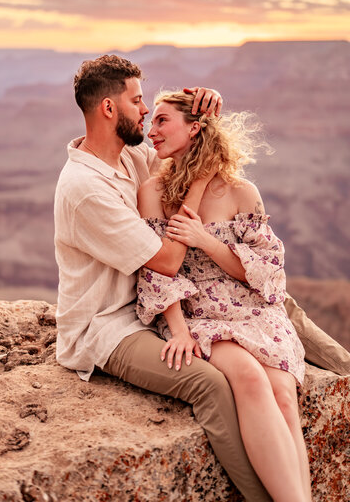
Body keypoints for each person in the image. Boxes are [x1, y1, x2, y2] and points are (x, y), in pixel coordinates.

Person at [54, 54, 350, 502]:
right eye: (139, 104)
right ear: (110, 109)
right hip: (109, 323)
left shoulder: (129, 157)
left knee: (278, 328)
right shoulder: (87, 188)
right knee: (218, 384)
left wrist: (209, 115)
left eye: (156, 114)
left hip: (205, 297)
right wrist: (201, 180)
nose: (147, 119)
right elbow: (168, 264)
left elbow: (180, 150)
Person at [136, 90, 310, 501]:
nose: (151, 129)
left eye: (162, 120)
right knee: (249, 377)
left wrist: (207, 241)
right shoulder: (153, 191)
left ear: (193, 127)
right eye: (151, 119)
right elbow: (158, 270)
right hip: (200, 315)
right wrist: (177, 330)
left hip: (255, 313)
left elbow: (267, 273)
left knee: (285, 395)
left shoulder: (240, 191)